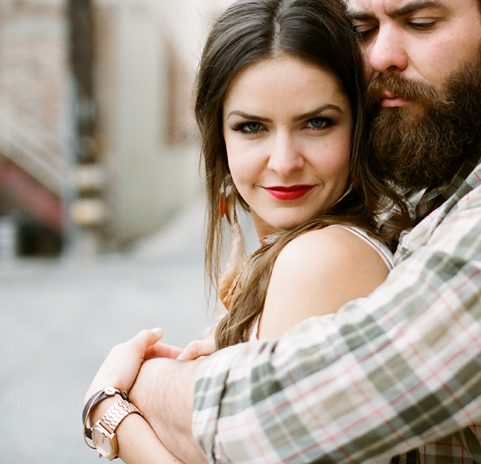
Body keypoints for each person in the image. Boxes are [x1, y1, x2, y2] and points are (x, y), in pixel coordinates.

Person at [87, 0, 481, 461]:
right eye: (363, 27)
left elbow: (281, 427)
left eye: (420, 21)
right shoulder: (438, 189)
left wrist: (128, 395)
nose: (382, 56)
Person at [82, 0, 411, 461]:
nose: (283, 160)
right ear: (220, 137)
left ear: (358, 128)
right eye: (252, 127)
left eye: (318, 123)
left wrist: (111, 410)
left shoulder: (323, 259)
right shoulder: (289, 256)